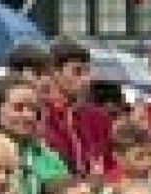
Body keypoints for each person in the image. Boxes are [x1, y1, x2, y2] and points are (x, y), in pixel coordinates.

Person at [42, 39, 114, 176]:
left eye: (87, 72)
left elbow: (110, 163)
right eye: (78, 72)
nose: (86, 79)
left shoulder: (99, 118)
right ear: (54, 73)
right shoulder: (40, 116)